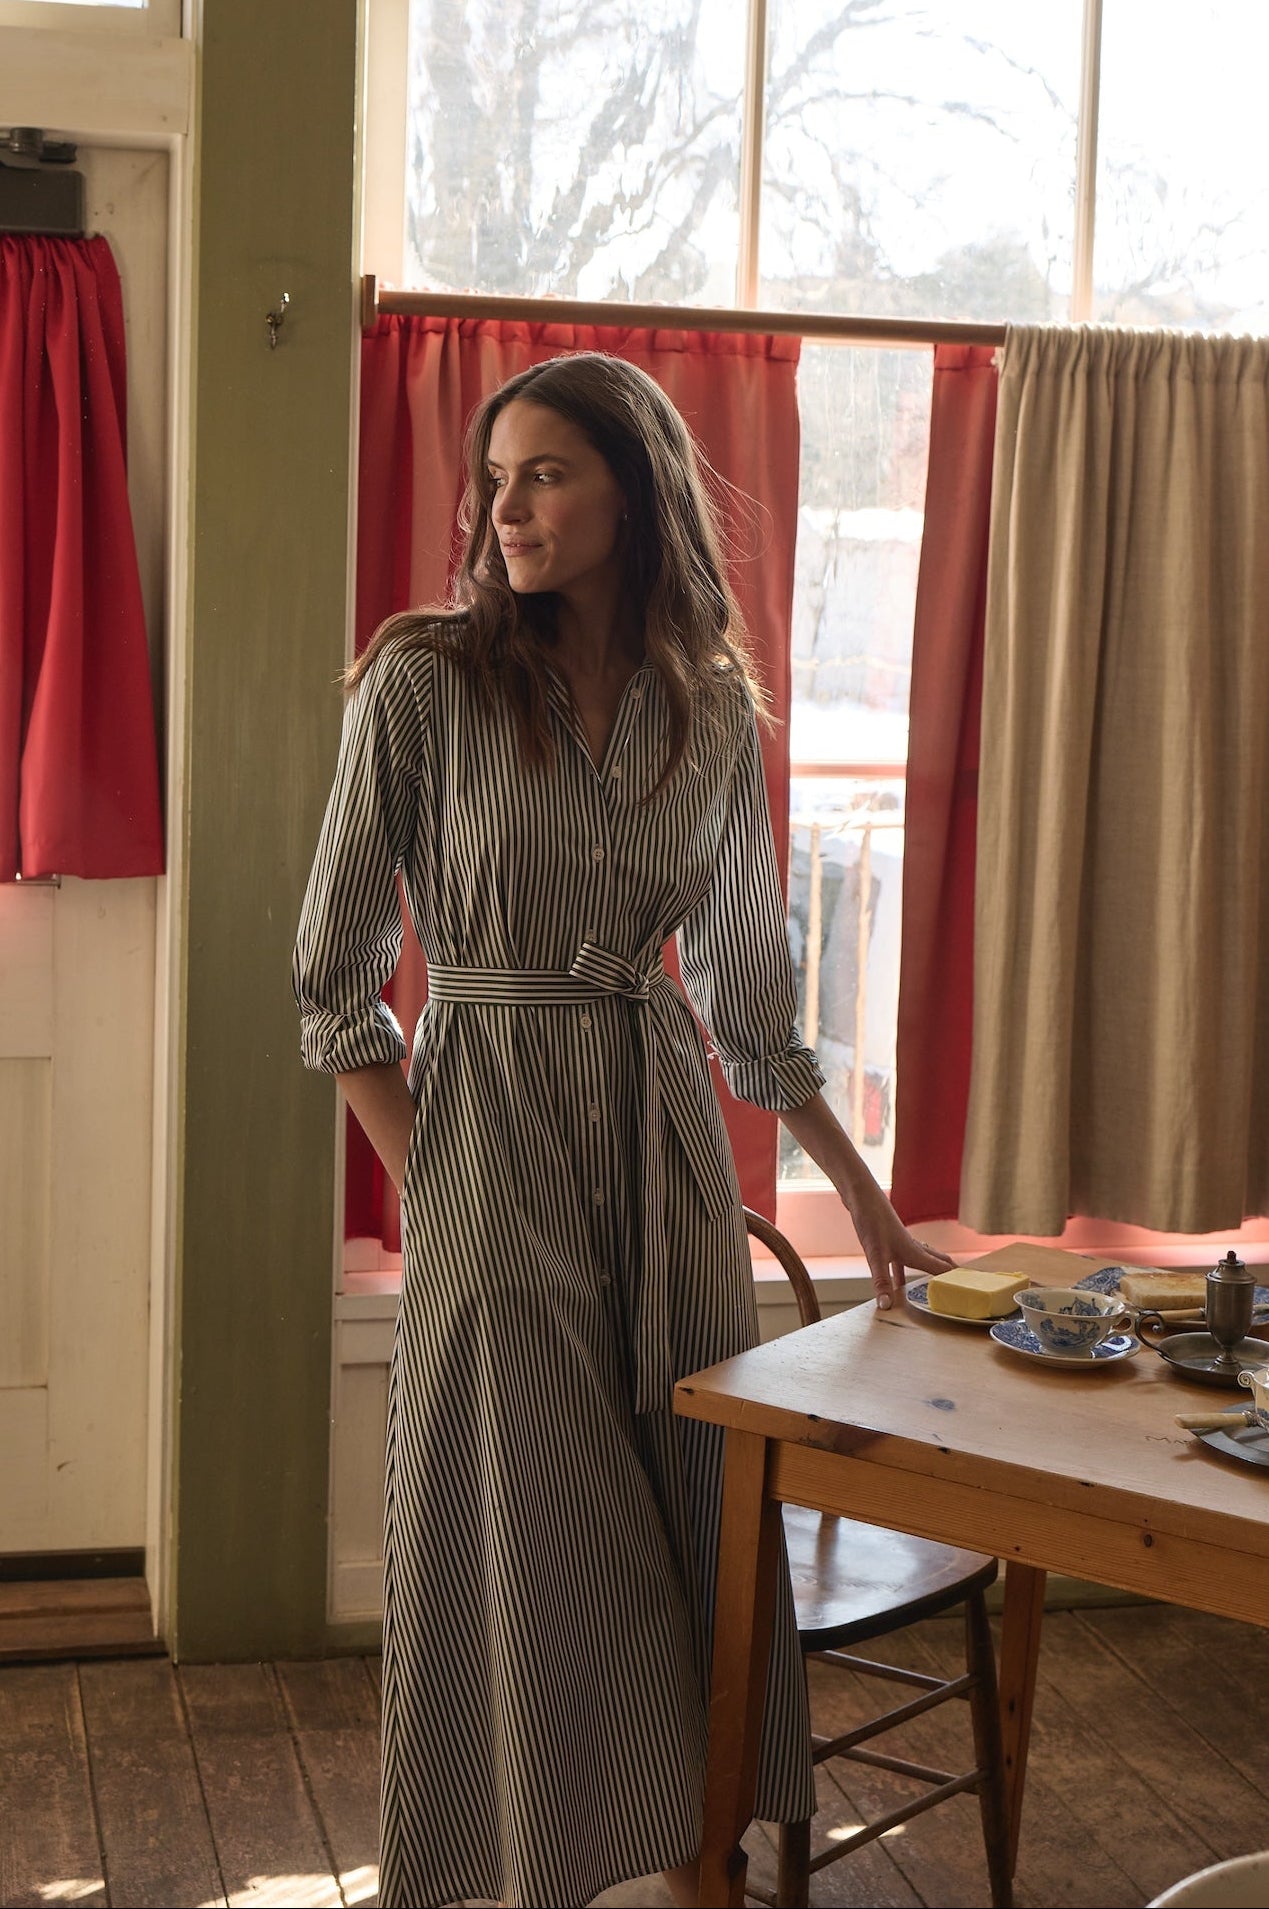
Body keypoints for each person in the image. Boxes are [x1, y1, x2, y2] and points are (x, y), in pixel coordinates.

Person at [293, 353, 953, 1909]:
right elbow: (330, 987)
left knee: (691, 1527)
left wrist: (862, 1204)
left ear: (633, 489)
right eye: (494, 478)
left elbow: (747, 993)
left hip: (659, 1150)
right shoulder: (422, 684)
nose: (503, 509)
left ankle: (695, 1872)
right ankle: (538, 1868)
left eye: (545, 475)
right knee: (543, 1543)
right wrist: (439, 1188)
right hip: (488, 1142)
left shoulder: (709, 709)